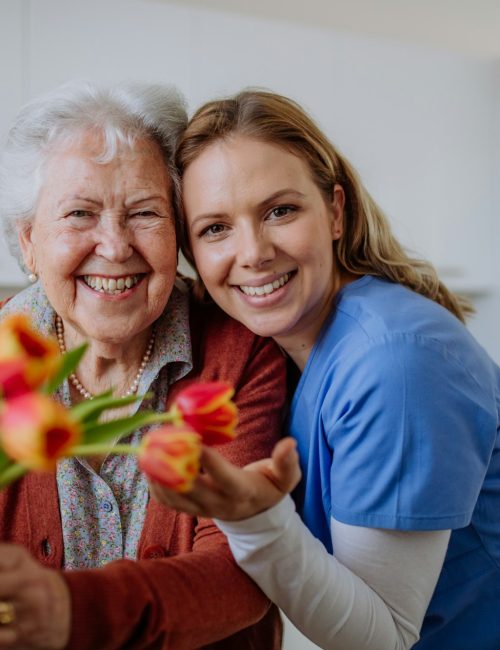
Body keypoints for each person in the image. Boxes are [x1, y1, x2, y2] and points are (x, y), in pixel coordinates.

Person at [151, 89, 500, 650]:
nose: (254, 252)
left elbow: (384, 636)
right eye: (216, 228)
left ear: (335, 212)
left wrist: (255, 520)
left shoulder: (394, 364)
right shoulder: (282, 351)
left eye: (280, 211)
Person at [0, 82, 287, 649]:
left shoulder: (241, 352)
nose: (114, 245)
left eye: (143, 213)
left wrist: (70, 611)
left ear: (177, 232)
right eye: (80, 213)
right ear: (29, 242)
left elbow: (246, 566)